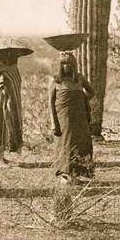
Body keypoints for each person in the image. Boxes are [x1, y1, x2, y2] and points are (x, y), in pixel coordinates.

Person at [48, 51, 95, 181]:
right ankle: (64, 174)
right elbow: (51, 102)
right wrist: (53, 123)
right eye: (63, 63)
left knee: (80, 142)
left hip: (79, 117)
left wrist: (82, 101)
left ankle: (77, 173)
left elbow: (92, 92)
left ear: (74, 65)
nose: (66, 66)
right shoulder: (55, 80)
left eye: (69, 63)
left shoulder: (80, 79)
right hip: (63, 118)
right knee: (65, 143)